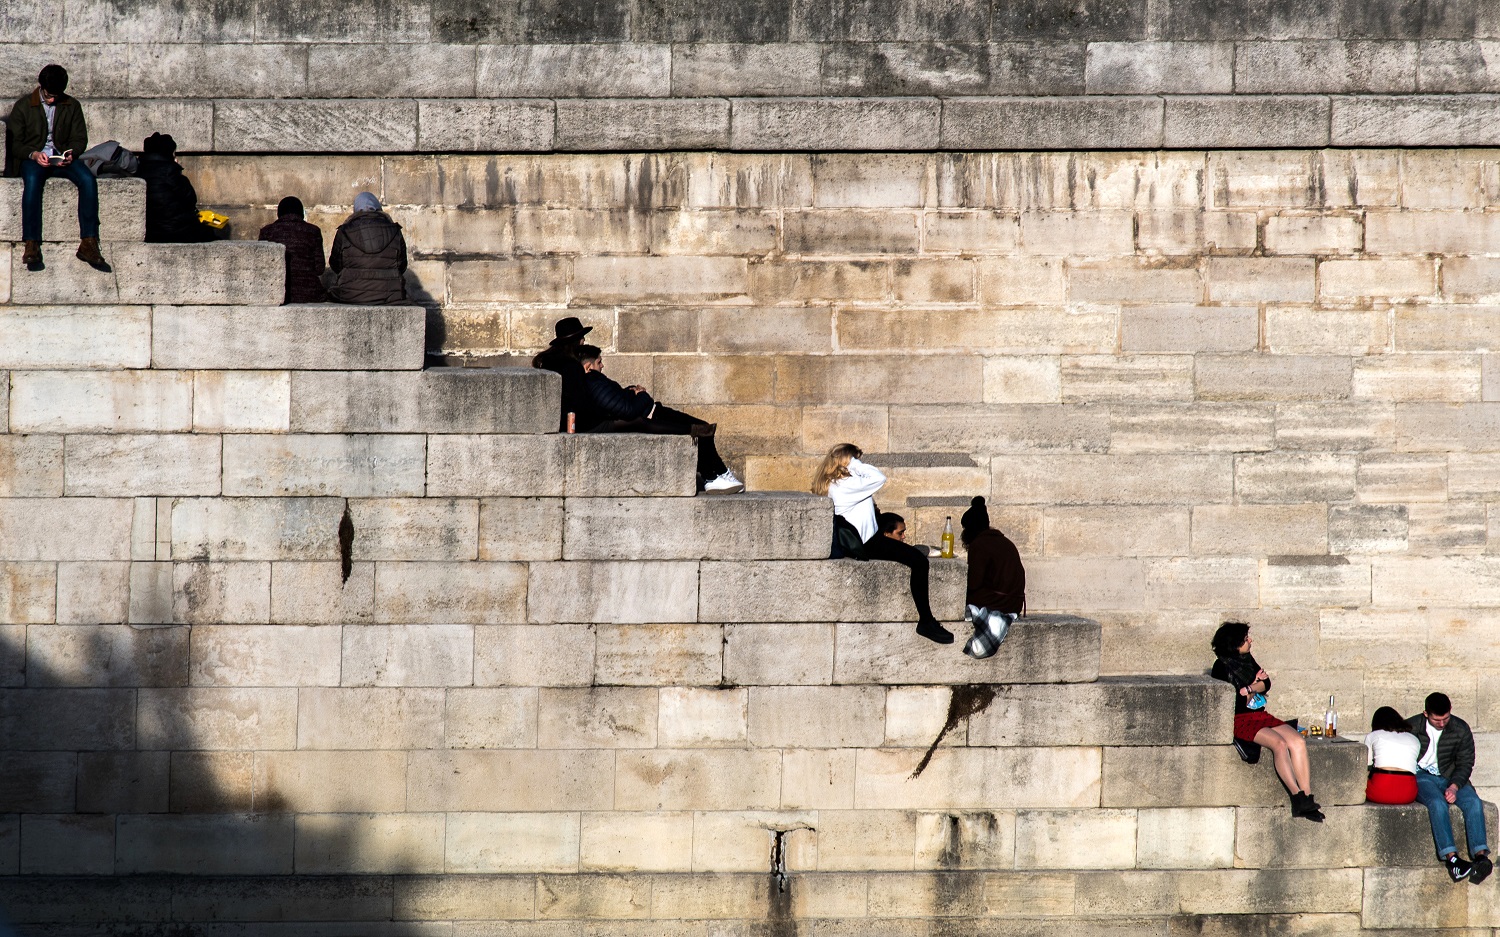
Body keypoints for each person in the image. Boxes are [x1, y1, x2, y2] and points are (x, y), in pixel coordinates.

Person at [811, 445, 952, 645]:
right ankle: (926, 621)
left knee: (914, 555)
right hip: (868, 543)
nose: (858, 463)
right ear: (845, 462)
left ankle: (927, 620)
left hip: (869, 539)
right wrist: (854, 463)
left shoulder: (837, 484)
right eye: (854, 459)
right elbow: (879, 478)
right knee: (919, 561)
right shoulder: (844, 485)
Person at [576, 344, 743, 494]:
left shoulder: (594, 382)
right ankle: (716, 475)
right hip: (652, 414)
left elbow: (616, 401)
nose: (602, 365)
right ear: (588, 366)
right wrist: (642, 395)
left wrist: (630, 391)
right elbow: (627, 411)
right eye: (599, 362)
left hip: (652, 411)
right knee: (701, 427)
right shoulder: (594, 381)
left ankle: (717, 475)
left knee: (702, 427)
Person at [1210, 621, 1323, 822]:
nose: (1250, 641)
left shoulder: (1247, 659)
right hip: (1241, 719)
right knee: (1279, 744)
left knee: (1297, 741)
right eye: (1246, 639)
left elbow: (1266, 684)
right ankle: (1297, 796)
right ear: (1234, 643)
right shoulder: (1221, 666)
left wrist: (1251, 688)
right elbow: (1234, 700)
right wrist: (1254, 685)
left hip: (1260, 714)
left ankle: (1307, 796)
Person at [6, 64, 110, 273]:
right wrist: (34, 154)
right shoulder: (24, 106)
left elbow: (80, 138)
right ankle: (31, 243)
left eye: (57, 95)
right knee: (33, 183)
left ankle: (89, 242)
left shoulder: (72, 105)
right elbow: (15, 143)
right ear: (41, 87)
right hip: (34, 159)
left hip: (62, 159)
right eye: (49, 94)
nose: (53, 99)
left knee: (88, 180)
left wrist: (71, 153)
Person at [1408, 692, 1491, 884]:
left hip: (1450, 776)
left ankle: (1480, 856)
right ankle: (1452, 858)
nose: (1442, 723)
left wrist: (1454, 786)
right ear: (1426, 714)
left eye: (1445, 718)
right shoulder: (1412, 727)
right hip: (1421, 776)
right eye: (1437, 720)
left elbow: (1465, 762)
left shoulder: (1460, 728)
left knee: (1473, 802)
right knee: (1437, 803)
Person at [958, 496, 1025, 660]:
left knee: (956, 599)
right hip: (1014, 603)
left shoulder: (979, 545)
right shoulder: (1004, 541)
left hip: (999, 603)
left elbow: (974, 583)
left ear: (970, 530)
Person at [136, 132, 220, 243]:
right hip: (173, 230)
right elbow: (190, 199)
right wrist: (176, 169)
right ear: (169, 152)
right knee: (208, 232)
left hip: (149, 230)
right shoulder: (170, 171)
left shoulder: (138, 170)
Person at [325, 192, 407, 304]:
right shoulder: (395, 231)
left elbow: (335, 264)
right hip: (390, 295)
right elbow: (402, 265)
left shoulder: (345, 231)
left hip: (350, 294)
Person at [258, 196, 327, 303]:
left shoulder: (267, 231)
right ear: (301, 213)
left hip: (276, 294)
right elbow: (319, 268)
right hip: (309, 294)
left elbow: (261, 268)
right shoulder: (313, 231)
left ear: (279, 213)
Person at [1365, 705, 1419, 805]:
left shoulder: (1373, 735)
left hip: (1380, 791)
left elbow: (1366, 766)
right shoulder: (1414, 739)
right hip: (1408, 793)